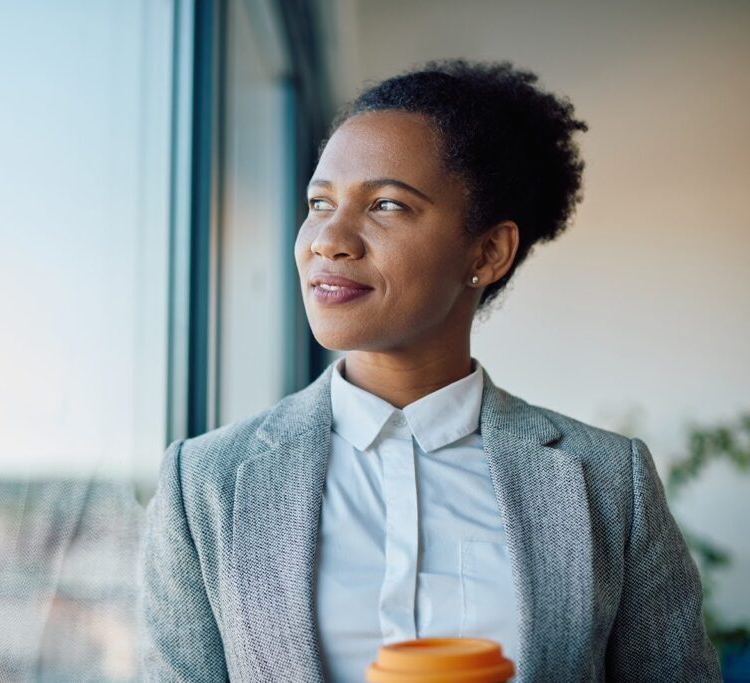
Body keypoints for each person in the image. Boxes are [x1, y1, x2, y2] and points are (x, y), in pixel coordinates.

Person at [138, 58, 722, 682]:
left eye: (386, 204)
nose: (328, 239)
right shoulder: (205, 483)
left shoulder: (608, 483)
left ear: (488, 251)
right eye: (319, 202)